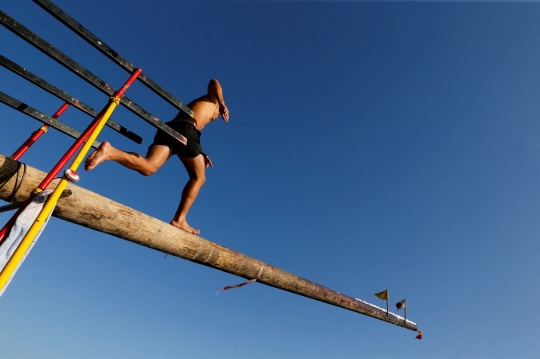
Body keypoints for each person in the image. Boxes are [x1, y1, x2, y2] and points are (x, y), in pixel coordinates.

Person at [84, 79, 229, 234]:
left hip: (172, 128)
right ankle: (180, 219)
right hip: (187, 129)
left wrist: (202, 153)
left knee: (149, 167)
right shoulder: (215, 100)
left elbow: (195, 129)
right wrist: (221, 103)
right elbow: (214, 82)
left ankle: (110, 152)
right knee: (199, 178)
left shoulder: (208, 106)